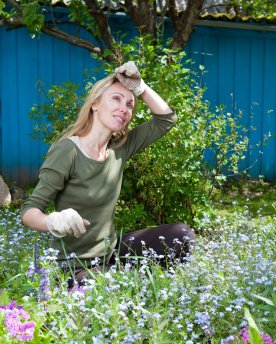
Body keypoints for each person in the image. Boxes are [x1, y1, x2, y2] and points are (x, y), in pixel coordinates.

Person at [21, 61, 195, 281]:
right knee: (114, 284)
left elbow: (166, 119)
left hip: (110, 254)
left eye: (130, 104)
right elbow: (28, 211)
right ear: (95, 104)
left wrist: (140, 87)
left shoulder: (120, 148)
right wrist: (53, 221)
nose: (124, 108)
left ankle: (152, 286)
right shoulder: (68, 150)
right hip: (75, 265)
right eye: (116, 98)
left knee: (181, 235)